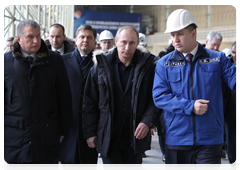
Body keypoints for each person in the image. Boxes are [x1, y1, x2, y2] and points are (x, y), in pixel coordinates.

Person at [152, 9, 238, 170]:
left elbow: (236, 80)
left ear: (193, 33)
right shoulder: (164, 64)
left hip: (210, 139)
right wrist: (189, 106)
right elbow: (159, 96)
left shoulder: (217, 59)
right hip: (177, 139)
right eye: (172, 35)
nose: (175, 40)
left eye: (180, 34)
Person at [82, 26, 160, 170]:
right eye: (123, 42)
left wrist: (148, 121)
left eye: (131, 43)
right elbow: (89, 102)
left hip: (136, 135)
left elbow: (156, 98)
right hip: (109, 135)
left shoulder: (148, 67)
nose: (127, 47)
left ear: (137, 44)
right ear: (116, 41)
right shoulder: (100, 67)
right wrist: (90, 132)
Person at [4, 19, 72, 170]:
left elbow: (64, 97)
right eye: (30, 37)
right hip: (15, 140)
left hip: (46, 138)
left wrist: (63, 130)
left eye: (38, 36)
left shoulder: (54, 61)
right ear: (19, 39)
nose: (36, 41)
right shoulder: (5, 63)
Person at [60, 25, 98, 170]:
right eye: (82, 37)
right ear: (75, 40)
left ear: (95, 42)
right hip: (67, 130)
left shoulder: (100, 64)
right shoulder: (62, 61)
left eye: (89, 37)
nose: (85, 40)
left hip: (90, 130)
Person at [222, 41, 238, 170]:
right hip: (231, 109)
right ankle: (234, 163)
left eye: (237, 53)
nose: (235, 55)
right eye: (233, 52)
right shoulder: (229, 68)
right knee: (231, 138)